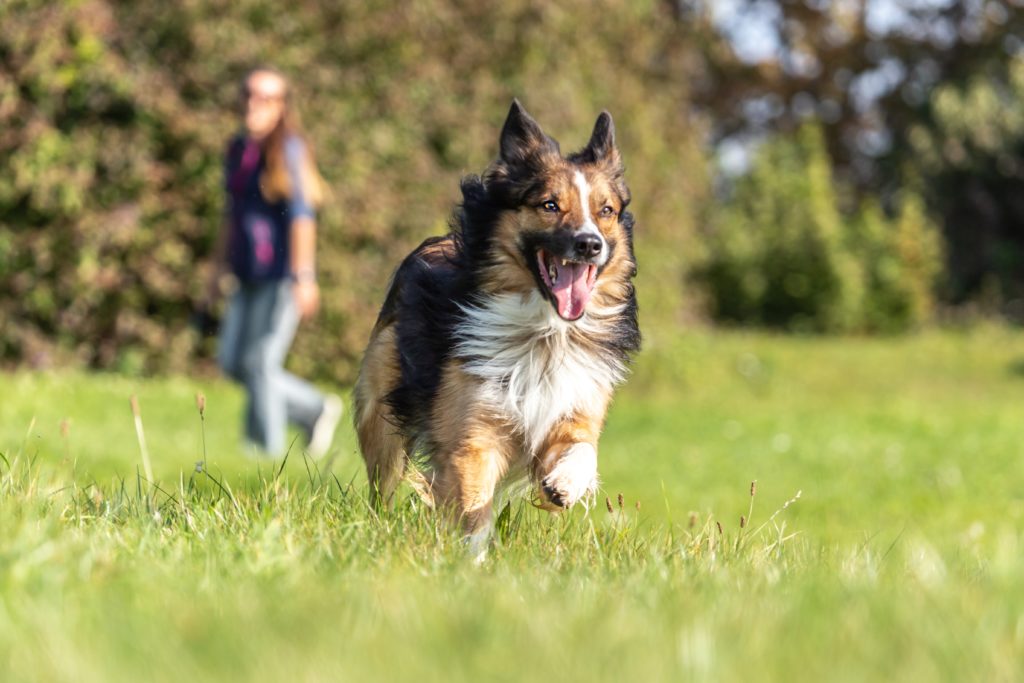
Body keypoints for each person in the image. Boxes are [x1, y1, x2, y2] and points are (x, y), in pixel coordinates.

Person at [205, 66, 342, 459]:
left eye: (265, 98)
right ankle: (312, 408)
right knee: (233, 362)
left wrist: (304, 276)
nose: (253, 104)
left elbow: (302, 217)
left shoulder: (289, 150)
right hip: (245, 271)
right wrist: (215, 270)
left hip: (281, 275)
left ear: (282, 107)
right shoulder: (237, 149)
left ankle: (264, 455)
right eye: (248, 94)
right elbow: (230, 214)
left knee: (261, 363)